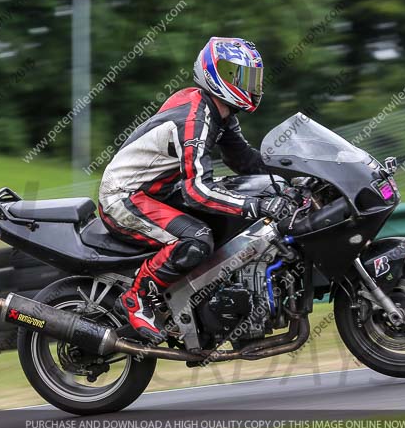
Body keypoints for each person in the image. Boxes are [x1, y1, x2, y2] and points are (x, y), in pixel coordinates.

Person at [98, 37, 292, 341]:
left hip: (156, 192)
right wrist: (255, 207)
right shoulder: (195, 118)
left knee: (233, 212)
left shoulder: (219, 113)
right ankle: (136, 298)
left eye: (253, 78)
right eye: (240, 76)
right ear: (216, 74)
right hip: (124, 197)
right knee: (196, 237)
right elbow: (197, 191)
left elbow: (245, 161)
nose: (250, 85)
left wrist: (297, 171)